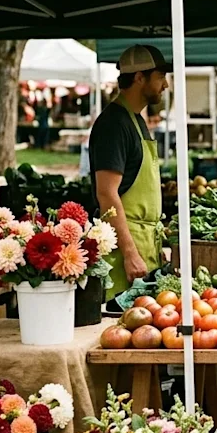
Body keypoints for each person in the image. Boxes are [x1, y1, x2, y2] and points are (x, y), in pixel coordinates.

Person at [89, 44, 170, 299]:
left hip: (145, 245)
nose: (165, 85)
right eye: (160, 77)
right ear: (139, 77)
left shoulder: (135, 120)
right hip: (124, 253)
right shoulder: (114, 125)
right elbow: (107, 195)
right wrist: (130, 253)